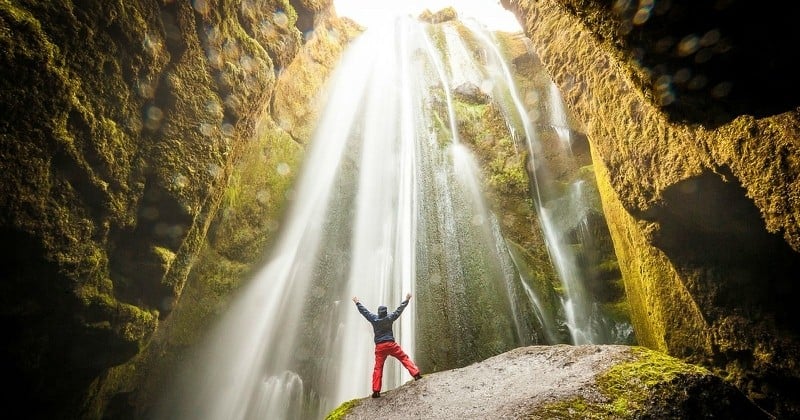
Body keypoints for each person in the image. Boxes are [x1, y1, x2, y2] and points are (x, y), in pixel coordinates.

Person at [352, 293, 422, 398]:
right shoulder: (389, 318)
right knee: (403, 358)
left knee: (378, 368)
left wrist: (357, 302)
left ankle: (376, 391)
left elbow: (364, 312)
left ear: (378, 312)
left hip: (380, 347)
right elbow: (399, 310)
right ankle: (416, 374)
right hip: (391, 344)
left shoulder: (374, 319)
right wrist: (407, 300)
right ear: (386, 312)